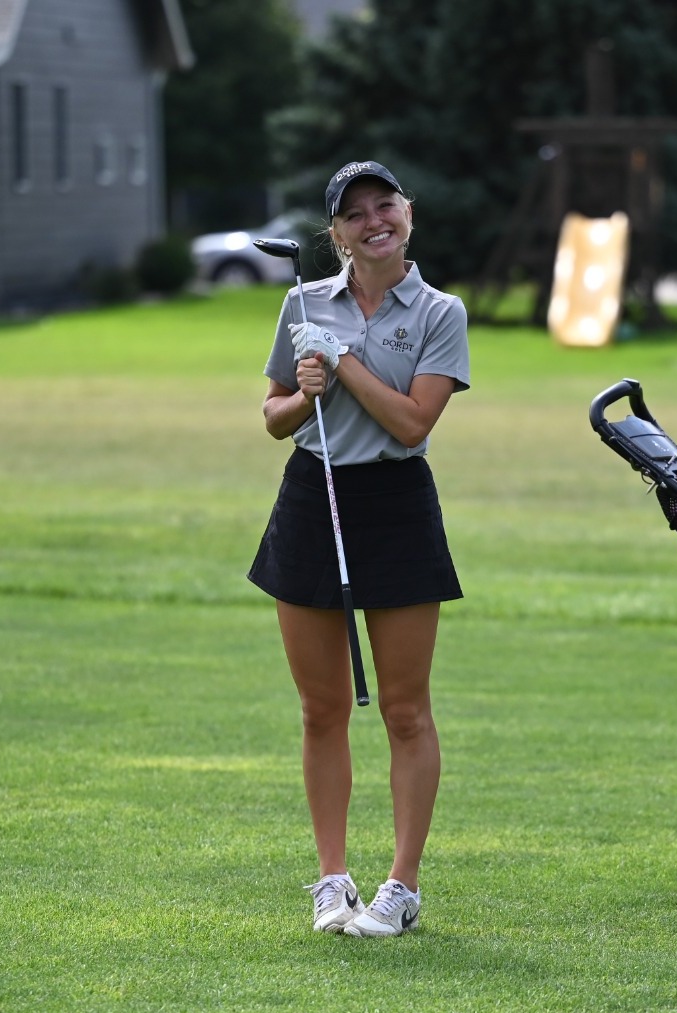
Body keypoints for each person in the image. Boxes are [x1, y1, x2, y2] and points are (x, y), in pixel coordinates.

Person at [248, 161, 470, 938]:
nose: (374, 221)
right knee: (321, 708)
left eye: (386, 205)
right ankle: (331, 880)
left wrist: (340, 363)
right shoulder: (302, 302)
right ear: (335, 233)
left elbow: (412, 423)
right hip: (315, 496)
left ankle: (399, 889)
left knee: (405, 711)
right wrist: (303, 389)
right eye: (355, 214)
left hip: (396, 503)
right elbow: (273, 416)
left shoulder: (441, 311)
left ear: (407, 213)